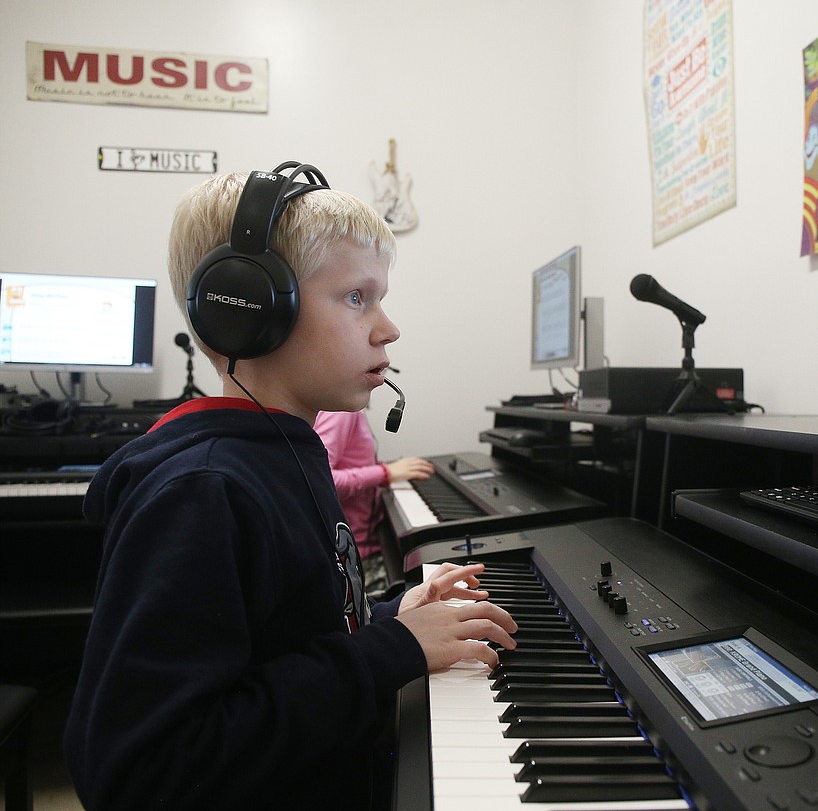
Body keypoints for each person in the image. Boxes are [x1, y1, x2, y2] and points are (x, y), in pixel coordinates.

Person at [64, 165, 517, 810]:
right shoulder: (205, 492)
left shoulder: (281, 452)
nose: (388, 328)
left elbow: (286, 643)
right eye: (358, 297)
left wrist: (392, 618)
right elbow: (140, 770)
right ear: (250, 310)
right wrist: (390, 652)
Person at [314, 409, 434, 598]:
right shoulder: (341, 412)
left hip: (363, 543)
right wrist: (385, 473)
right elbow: (321, 479)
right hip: (357, 556)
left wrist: (386, 473)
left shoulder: (347, 411)